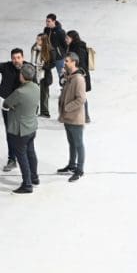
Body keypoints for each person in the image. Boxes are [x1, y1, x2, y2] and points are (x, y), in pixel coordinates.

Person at [4, 64, 41, 194]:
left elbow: (6, 103)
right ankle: (34, 177)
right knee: (31, 153)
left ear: (22, 76)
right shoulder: (36, 87)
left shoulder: (20, 92)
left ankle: (27, 184)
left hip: (20, 130)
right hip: (32, 127)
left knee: (22, 157)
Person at [56, 52, 88, 181]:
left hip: (75, 118)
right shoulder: (69, 76)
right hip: (67, 117)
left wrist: (67, 107)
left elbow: (81, 99)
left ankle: (79, 170)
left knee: (78, 144)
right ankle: (71, 165)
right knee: (71, 143)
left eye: (67, 61)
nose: (64, 63)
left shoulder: (79, 79)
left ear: (74, 62)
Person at [40, 14, 68, 116]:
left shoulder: (60, 32)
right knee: (46, 73)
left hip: (59, 58)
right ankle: (45, 90)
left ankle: (64, 89)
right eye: (46, 21)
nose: (47, 23)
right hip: (49, 56)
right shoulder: (46, 30)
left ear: (54, 21)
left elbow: (65, 45)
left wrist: (61, 53)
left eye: (49, 21)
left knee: (61, 74)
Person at [65, 29, 92, 124]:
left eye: (67, 38)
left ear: (73, 38)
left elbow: (82, 65)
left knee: (80, 96)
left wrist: (75, 73)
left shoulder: (78, 49)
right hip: (75, 75)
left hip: (80, 76)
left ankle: (86, 117)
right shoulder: (73, 47)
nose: (66, 40)